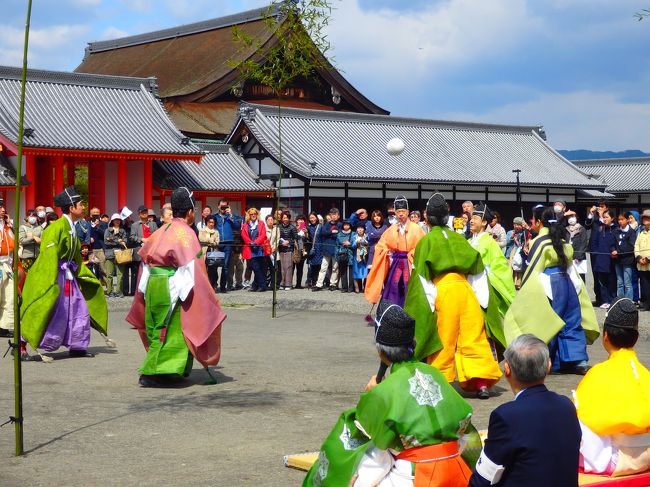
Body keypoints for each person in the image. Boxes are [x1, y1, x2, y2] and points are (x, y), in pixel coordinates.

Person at [304, 300, 482, 487]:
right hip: (457, 469)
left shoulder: (382, 392)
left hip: (416, 476)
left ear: (380, 351)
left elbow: (377, 457)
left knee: (359, 453)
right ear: (412, 343)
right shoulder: (435, 374)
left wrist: (370, 397)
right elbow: (465, 431)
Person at [126, 187, 226, 388]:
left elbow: (144, 259)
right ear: (190, 211)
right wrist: (206, 295)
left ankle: (171, 370)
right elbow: (193, 267)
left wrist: (141, 290)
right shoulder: (186, 234)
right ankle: (155, 372)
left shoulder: (161, 230)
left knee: (157, 327)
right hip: (172, 284)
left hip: (152, 282)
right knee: (172, 329)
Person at [405, 194, 501, 399]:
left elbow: (422, 279)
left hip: (443, 292)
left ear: (427, 218)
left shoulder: (427, 241)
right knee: (473, 336)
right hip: (466, 291)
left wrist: (427, 307)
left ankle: (442, 381)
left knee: (444, 339)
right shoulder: (461, 239)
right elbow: (478, 271)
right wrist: (483, 301)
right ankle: (481, 382)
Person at [468, 334, 582, 487]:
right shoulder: (566, 405)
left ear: (507, 369)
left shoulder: (506, 416)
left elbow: (483, 479)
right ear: (548, 366)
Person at [504, 206, 599, 374]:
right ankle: (578, 360)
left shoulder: (538, 242)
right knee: (571, 321)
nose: (531, 223)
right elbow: (570, 266)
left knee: (549, 321)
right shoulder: (562, 241)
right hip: (568, 282)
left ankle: (550, 359)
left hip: (549, 284)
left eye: (533, 220)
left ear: (539, 222)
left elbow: (534, 268)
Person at [20, 186, 108, 357]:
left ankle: (77, 346)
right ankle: (23, 342)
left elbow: (75, 256)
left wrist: (83, 274)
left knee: (77, 306)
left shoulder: (73, 226)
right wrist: (48, 279)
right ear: (71, 207)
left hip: (68, 274)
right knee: (48, 306)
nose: (84, 207)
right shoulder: (55, 228)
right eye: (80, 204)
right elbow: (48, 255)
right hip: (55, 273)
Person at [574, 297, 650, 477]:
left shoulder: (598, 373)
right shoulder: (645, 373)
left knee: (575, 411)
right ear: (636, 338)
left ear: (605, 336)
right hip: (647, 454)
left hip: (617, 458)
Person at [469, 203, 516, 351]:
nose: (471, 220)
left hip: (484, 288)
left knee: (485, 325)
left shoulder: (490, 243)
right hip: (469, 287)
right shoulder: (469, 242)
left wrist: (487, 276)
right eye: (472, 217)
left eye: (476, 218)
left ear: (484, 222)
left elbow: (501, 268)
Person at [365, 196, 425, 307]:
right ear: (395, 213)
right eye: (398, 211)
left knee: (410, 288)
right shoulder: (391, 229)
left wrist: (412, 253)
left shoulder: (417, 229)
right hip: (395, 263)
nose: (401, 214)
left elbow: (423, 246)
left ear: (407, 212)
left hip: (410, 264)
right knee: (392, 288)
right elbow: (381, 245)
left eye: (403, 211)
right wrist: (386, 252)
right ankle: (391, 315)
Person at [127, 205, 159, 296]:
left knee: (150, 270)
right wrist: (141, 239)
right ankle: (135, 290)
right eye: (142, 212)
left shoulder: (153, 224)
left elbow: (157, 234)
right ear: (139, 214)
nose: (144, 213)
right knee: (137, 272)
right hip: (139, 250)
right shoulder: (135, 225)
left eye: (145, 212)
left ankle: (150, 289)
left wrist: (151, 240)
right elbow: (132, 237)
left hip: (151, 250)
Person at [590, 208, 617, 309]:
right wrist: (596, 253)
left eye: (607, 217)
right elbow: (595, 242)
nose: (605, 219)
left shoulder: (615, 229)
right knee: (602, 281)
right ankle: (605, 300)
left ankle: (612, 299)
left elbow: (616, 243)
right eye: (604, 217)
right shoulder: (600, 228)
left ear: (612, 218)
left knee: (611, 281)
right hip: (600, 258)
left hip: (611, 258)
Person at [213, 199, 241, 293]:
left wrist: (231, 215)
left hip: (228, 243)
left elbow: (237, 226)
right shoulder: (214, 217)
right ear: (218, 206)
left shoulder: (230, 217)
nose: (223, 208)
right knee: (214, 265)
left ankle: (223, 286)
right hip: (217, 243)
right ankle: (214, 285)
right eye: (222, 206)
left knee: (225, 266)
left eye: (225, 206)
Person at [585, 200, 610, 305]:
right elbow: (587, 225)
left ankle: (606, 298)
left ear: (606, 207)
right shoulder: (594, 218)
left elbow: (606, 227)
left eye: (602, 206)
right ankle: (598, 298)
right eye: (598, 206)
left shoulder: (608, 217)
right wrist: (591, 214)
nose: (600, 208)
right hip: (594, 249)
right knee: (595, 274)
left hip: (604, 250)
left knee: (604, 274)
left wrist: (601, 216)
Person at [312, 208, 342, 292]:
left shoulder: (340, 224)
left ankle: (333, 284)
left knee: (335, 268)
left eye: (335, 214)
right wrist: (332, 232)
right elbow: (323, 233)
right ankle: (319, 284)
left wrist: (329, 233)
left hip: (336, 248)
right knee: (323, 267)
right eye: (332, 214)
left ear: (338, 216)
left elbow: (338, 235)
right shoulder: (326, 224)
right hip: (326, 249)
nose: (333, 216)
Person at [240, 208, 268, 292]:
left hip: (259, 248)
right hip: (249, 248)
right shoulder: (245, 225)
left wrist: (256, 242)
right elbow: (243, 235)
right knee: (254, 267)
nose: (253, 215)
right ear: (249, 215)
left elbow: (263, 235)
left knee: (258, 267)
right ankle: (260, 285)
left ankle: (259, 285)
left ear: (257, 214)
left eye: (254, 214)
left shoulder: (261, 223)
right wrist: (250, 242)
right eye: (251, 214)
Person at [0, 198, 15, 338]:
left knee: (9, 296)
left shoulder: (7, 227)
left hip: (7, 265)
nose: (3, 209)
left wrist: (9, 224)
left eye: (3, 206)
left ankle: (5, 325)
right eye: (0, 207)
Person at [614, 212, 637, 301]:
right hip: (617, 260)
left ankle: (628, 302)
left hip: (627, 260)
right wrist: (613, 250)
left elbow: (631, 246)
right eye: (619, 220)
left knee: (627, 283)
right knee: (619, 282)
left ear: (627, 220)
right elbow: (613, 243)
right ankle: (620, 301)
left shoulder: (631, 232)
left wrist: (618, 251)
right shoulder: (616, 231)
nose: (620, 221)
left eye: (622, 219)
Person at [103, 213, 128, 298]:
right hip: (109, 254)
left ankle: (118, 291)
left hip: (120, 254)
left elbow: (125, 241)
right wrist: (118, 241)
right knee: (109, 274)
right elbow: (106, 242)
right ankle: (110, 291)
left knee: (120, 274)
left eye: (118, 220)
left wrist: (112, 239)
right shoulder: (107, 230)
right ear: (112, 221)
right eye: (115, 220)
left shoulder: (123, 230)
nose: (117, 221)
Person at [505, 216, 529, 289]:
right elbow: (507, 243)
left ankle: (518, 283)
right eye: (515, 224)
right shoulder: (510, 232)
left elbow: (525, 242)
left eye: (518, 225)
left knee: (519, 268)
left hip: (519, 253)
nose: (516, 226)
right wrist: (512, 237)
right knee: (510, 268)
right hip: (511, 253)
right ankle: (510, 283)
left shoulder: (524, 233)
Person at [565, 209, 588, 282]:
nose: (570, 219)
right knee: (570, 278)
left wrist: (579, 256)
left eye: (572, 216)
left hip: (579, 258)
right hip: (569, 257)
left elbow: (584, 243)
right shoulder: (566, 230)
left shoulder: (581, 229)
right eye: (568, 217)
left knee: (580, 279)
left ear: (576, 217)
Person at [198, 215, 220, 291]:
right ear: (206, 222)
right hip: (204, 252)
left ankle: (213, 285)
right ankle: (204, 287)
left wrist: (210, 242)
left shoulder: (216, 231)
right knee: (204, 270)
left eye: (213, 222)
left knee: (213, 270)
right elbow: (201, 239)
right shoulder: (202, 230)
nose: (211, 224)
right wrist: (211, 241)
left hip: (213, 252)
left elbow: (217, 242)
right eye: (209, 222)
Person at [635, 209, 650, 311]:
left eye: (647, 217)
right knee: (644, 285)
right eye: (643, 217)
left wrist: (648, 259)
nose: (644, 219)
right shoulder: (642, 232)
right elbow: (636, 246)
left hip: (649, 262)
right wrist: (639, 257)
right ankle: (646, 304)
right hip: (641, 264)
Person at [277, 210, 297, 290]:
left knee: (288, 267)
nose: (285, 219)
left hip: (289, 249)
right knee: (281, 267)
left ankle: (288, 284)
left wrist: (289, 241)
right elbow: (277, 237)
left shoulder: (292, 227)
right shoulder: (279, 227)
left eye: (286, 218)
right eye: (283, 218)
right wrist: (281, 243)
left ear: (289, 218)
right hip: (281, 248)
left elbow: (295, 238)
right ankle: (282, 283)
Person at [18, 209, 42, 273]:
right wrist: (33, 238)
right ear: (27, 217)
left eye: (35, 216)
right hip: (26, 256)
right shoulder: (23, 227)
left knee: (36, 275)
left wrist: (32, 236)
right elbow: (22, 240)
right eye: (31, 216)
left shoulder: (39, 228)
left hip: (38, 255)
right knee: (26, 275)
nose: (33, 218)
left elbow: (42, 241)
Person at [335, 220, 353, 293]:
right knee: (343, 271)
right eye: (345, 225)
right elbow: (336, 245)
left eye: (348, 225)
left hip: (351, 254)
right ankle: (344, 287)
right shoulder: (339, 234)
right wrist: (337, 254)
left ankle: (351, 287)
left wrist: (350, 244)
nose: (346, 226)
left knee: (351, 271)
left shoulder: (354, 234)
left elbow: (355, 244)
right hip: (342, 254)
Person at [305, 212, 322, 288]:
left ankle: (319, 282)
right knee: (312, 266)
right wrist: (305, 233)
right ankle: (312, 282)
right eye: (310, 218)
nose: (312, 219)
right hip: (312, 248)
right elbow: (308, 239)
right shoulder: (308, 227)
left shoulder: (321, 226)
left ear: (316, 218)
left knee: (319, 266)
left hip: (320, 247)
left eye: (313, 217)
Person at [351, 223, 368, 293]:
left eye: (361, 228)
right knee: (356, 272)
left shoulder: (367, 236)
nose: (360, 230)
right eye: (358, 228)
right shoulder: (354, 237)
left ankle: (365, 287)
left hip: (365, 256)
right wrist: (356, 244)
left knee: (365, 272)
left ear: (364, 229)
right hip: (356, 257)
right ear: (356, 230)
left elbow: (369, 244)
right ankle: (356, 287)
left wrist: (366, 243)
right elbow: (352, 246)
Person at [293, 214, 308, 289]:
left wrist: (306, 233)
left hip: (302, 250)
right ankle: (289, 283)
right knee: (292, 267)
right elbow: (292, 237)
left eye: (302, 220)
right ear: (296, 221)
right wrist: (296, 230)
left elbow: (308, 240)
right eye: (299, 219)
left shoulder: (305, 229)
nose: (300, 221)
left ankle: (298, 284)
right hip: (294, 251)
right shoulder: (293, 228)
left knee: (300, 268)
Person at [265, 214, 279, 290]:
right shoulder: (264, 229)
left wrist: (274, 247)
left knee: (274, 268)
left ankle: (273, 285)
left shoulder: (276, 229)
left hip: (274, 251)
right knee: (266, 269)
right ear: (266, 221)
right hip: (266, 251)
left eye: (271, 220)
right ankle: (266, 283)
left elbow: (277, 239)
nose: (270, 221)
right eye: (268, 220)